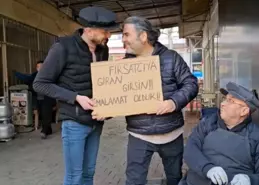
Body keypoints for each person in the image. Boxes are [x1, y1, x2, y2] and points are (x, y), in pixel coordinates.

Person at [33, 6, 118, 185]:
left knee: (89, 173)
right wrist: (76, 97)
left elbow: (101, 84)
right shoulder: (62, 47)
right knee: (74, 176)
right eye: (105, 31)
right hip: (74, 122)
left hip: (96, 121)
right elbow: (40, 84)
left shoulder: (103, 50)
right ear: (88, 30)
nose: (108, 36)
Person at [121, 16, 199, 185]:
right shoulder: (123, 66)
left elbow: (191, 84)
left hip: (171, 133)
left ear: (142, 36)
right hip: (138, 135)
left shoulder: (171, 58)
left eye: (126, 34)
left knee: (175, 178)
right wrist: (104, 110)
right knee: (134, 181)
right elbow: (118, 99)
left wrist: (173, 102)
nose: (123, 39)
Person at [181, 82, 259, 185]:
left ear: (244, 111)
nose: (222, 103)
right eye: (225, 99)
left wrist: (250, 180)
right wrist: (207, 168)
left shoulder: (257, 138)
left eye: (231, 101)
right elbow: (190, 149)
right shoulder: (208, 124)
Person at [14, 61, 56, 138]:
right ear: (36, 68)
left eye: (42, 66)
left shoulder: (50, 76)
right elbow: (26, 78)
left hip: (47, 99)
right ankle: (48, 129)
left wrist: (54, 101)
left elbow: (54, 87)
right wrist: (16, 73)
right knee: (43, 115)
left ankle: (44, 131)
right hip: (37, 99)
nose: (40, 68)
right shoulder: (34, 76)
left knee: (46, 114)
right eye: (38, 67)